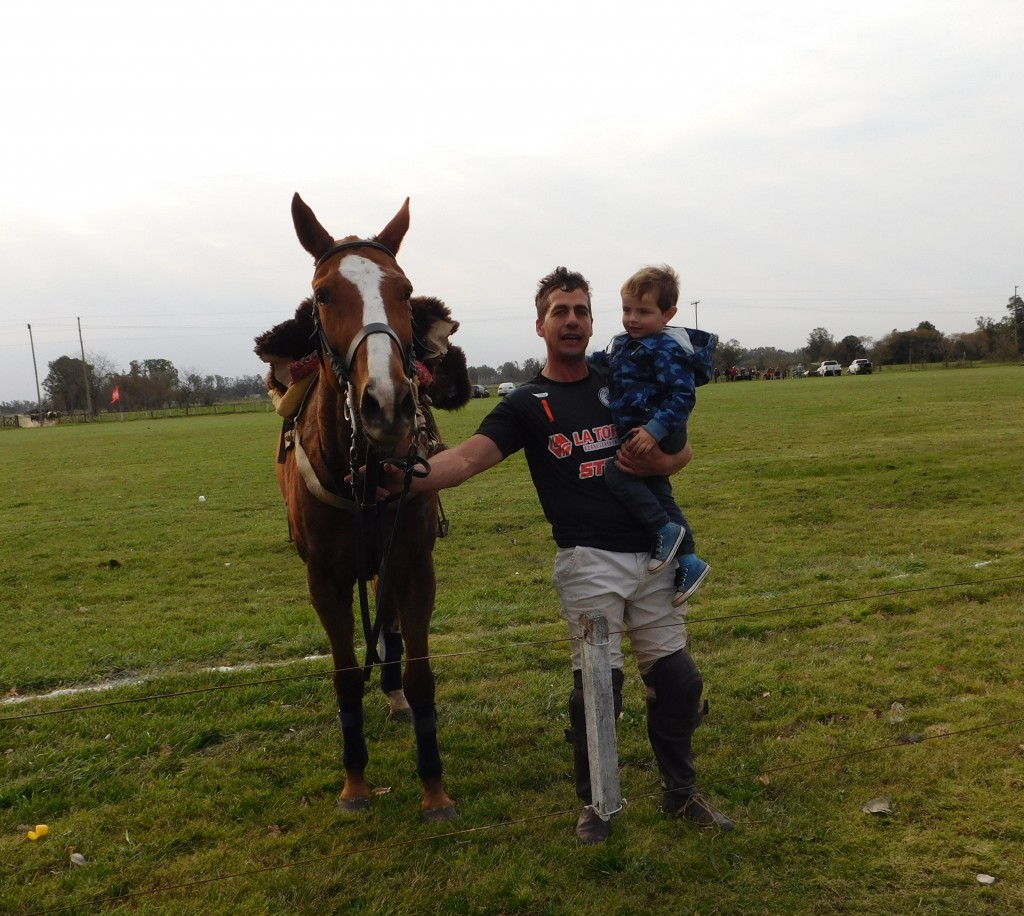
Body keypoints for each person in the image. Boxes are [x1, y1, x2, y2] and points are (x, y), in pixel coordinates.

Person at [388, 266, 733, 844]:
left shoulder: (620, 374)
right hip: (588, 560)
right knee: (598, 687)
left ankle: (681, 792)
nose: (571, 321)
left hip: (654, 552)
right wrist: (403, 479)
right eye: (559, 312)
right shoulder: (527, 402)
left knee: (677, 681)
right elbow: (469, 458)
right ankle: (595, 804)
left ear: (593, 323)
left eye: (581, 312)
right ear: (541, 325)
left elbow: (682, 447)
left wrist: (666, 461)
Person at [589, 265, 713, 606]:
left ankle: (663, 530)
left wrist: (654, 430)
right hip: (645, 427)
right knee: (658, 490)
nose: (632, 318)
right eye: (627, 310)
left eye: (643, 311)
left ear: (668, 314)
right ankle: (688, 560)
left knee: (617, 471)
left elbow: (683, 396)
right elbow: (604, 361)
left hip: (659, 429)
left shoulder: (665, 349)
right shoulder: (630, 344)